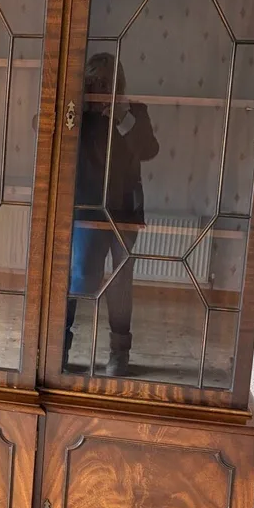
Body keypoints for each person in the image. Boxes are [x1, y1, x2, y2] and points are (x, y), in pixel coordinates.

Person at [65, 52, 159, 376]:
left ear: (118, 84)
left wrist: (122, 117)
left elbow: (149, 150)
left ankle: (120, 353)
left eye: (106, 82)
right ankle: (58, 346)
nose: (100, 88)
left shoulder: (135, 112)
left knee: (120, 283)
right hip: (86, 208)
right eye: (94, 82)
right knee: (78, 276)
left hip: (124, 211)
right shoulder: (77, 114)